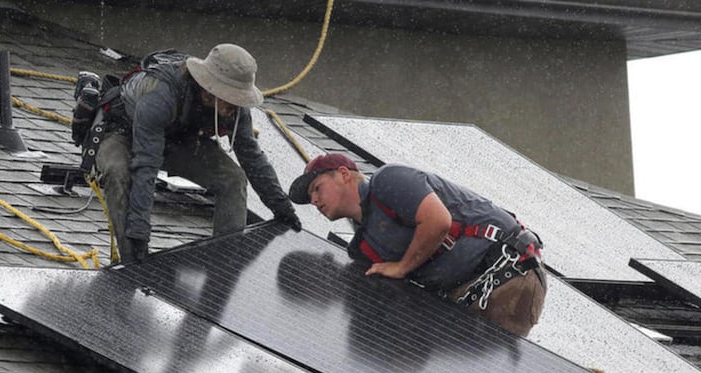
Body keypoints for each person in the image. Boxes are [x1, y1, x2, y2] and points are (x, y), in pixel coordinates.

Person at [288, 153, 546, 337]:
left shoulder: (389, 180)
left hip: (507, 276)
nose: (313, 200)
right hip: (462, 300)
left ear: (344, 175)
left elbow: (438, 221)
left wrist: (401, 267)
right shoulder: (363, 247)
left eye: (317, 188)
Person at [94, 44, 300, 262]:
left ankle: (225, 262)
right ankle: (132, 261)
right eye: (233, 98)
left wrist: (282, 208)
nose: (237, 105)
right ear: (211, 92)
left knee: (232, 179)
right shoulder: (161, 93)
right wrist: (139, 234)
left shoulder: (235, 108)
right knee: (118, 172)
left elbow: (252, 157)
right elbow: (145, 166)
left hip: (177, 140)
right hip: (124, 133)